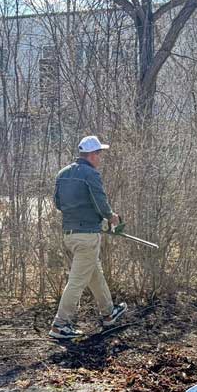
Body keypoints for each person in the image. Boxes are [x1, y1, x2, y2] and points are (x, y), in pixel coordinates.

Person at [49, 135, 128, 340]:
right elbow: (100, 202)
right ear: (92, 155)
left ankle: (109, 312)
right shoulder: (91, 174)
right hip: (87, 236)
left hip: (69, 234)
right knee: (77, 281)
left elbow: (58, 203)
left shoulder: (62, 173)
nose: (100, 158)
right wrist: (112, 217)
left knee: (94, 273)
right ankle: (60, 325)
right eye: (99, 154)